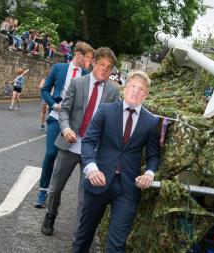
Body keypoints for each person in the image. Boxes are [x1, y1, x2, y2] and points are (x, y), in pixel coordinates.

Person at [72, 70, 160, 252]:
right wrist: (91, 168)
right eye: (133, 86)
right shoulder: (105, 110)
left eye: (141, 89)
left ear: (146, 95)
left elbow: (153, 155)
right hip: (99, 180)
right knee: (83, 236)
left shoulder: (151, 122)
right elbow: (88, 141)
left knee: (117, 244)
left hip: (127, 188)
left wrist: (149, 173)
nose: (136, 91)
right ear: (124, 88)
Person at [41, 47, 120, 236]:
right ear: (94, 63)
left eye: (109, 68)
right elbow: (65, 111)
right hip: (70, 144)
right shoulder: (78, 83)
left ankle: (80, 234)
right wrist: (66, 128)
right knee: (55, 188)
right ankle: (50, 215)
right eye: (101, 65)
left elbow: (112, 123)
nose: (104, 70)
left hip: (92, 152)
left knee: (84, 197)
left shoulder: (113, 91)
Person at [35, 41, 94, 208]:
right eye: (88, 58)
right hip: (56, 115)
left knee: (67, 160)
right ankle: (43, 190)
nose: (89, 62)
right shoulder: (59, 68)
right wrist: (54, 105)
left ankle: (55, 191)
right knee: (51, 153)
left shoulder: (87, 76)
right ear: (78, 54)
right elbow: (45, 90)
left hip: (75, 122)